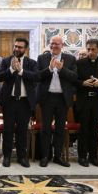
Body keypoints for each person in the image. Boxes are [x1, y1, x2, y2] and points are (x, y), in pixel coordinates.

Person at [37, 35, 77, 167]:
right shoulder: (42, 58)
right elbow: (38, 77)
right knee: (45, 128)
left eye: (57, 44)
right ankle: (45, 156)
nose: (54, 46)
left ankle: (57, 156)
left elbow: (74, 77)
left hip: (62, 99)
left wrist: (61, 69)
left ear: (62, 46)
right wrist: (49, 69)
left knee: (60, 128)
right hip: (47, 97)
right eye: (52, 43)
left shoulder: (70, 59)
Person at [0, 37, 37, 168]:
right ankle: (7, 156)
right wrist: (11, 69)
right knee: (8, 130)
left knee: (22, 130)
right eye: (15, 46)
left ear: (25, 49)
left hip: (25, 102)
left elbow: (35, 77)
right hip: (9, 101)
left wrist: (20, 71)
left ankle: (22, 157)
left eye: (20, 47)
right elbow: (0, 76)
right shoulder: (6, 61)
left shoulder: (31, 63)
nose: (16, 49)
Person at [75, 39, 98, 167]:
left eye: (93, 49)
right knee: (83, 129)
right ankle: (82, 156)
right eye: (88, 49)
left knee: (95, 130)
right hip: (84, 100)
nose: (90, 52)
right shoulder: (79, 63)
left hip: (97, 100)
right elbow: (74, 80)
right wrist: (82, 83)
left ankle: (94, 156)